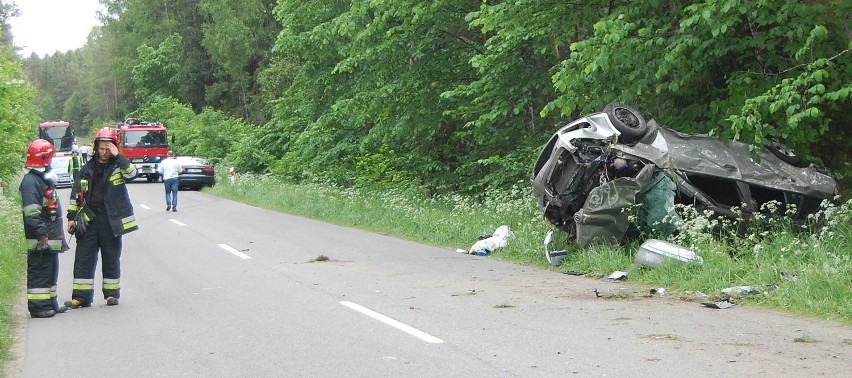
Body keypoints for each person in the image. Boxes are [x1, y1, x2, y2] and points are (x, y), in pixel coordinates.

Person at [65, 127, 138, 308]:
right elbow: (76, 194)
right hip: (88, 219)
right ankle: (81, 297)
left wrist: (118, 156)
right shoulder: (87, 168)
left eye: (108, 148)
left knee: (111, 257)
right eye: (101, 148)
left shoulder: (118, 166)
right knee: (83, 258)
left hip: (110, 220)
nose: (104, 152)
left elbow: (133, 174)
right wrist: (71, 217)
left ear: (114, 148)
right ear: (96, 147)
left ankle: (111, 295)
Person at [19, 139, 70, 318]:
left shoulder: (41, 178)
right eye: (49, 157)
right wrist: (42, 233)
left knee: (50, 270)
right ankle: (38, 307)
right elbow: (32, 213)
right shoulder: (31, 182)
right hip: (40, 239)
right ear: (44, 158)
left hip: (48, 237)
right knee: (39, 272)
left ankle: (50, 303)